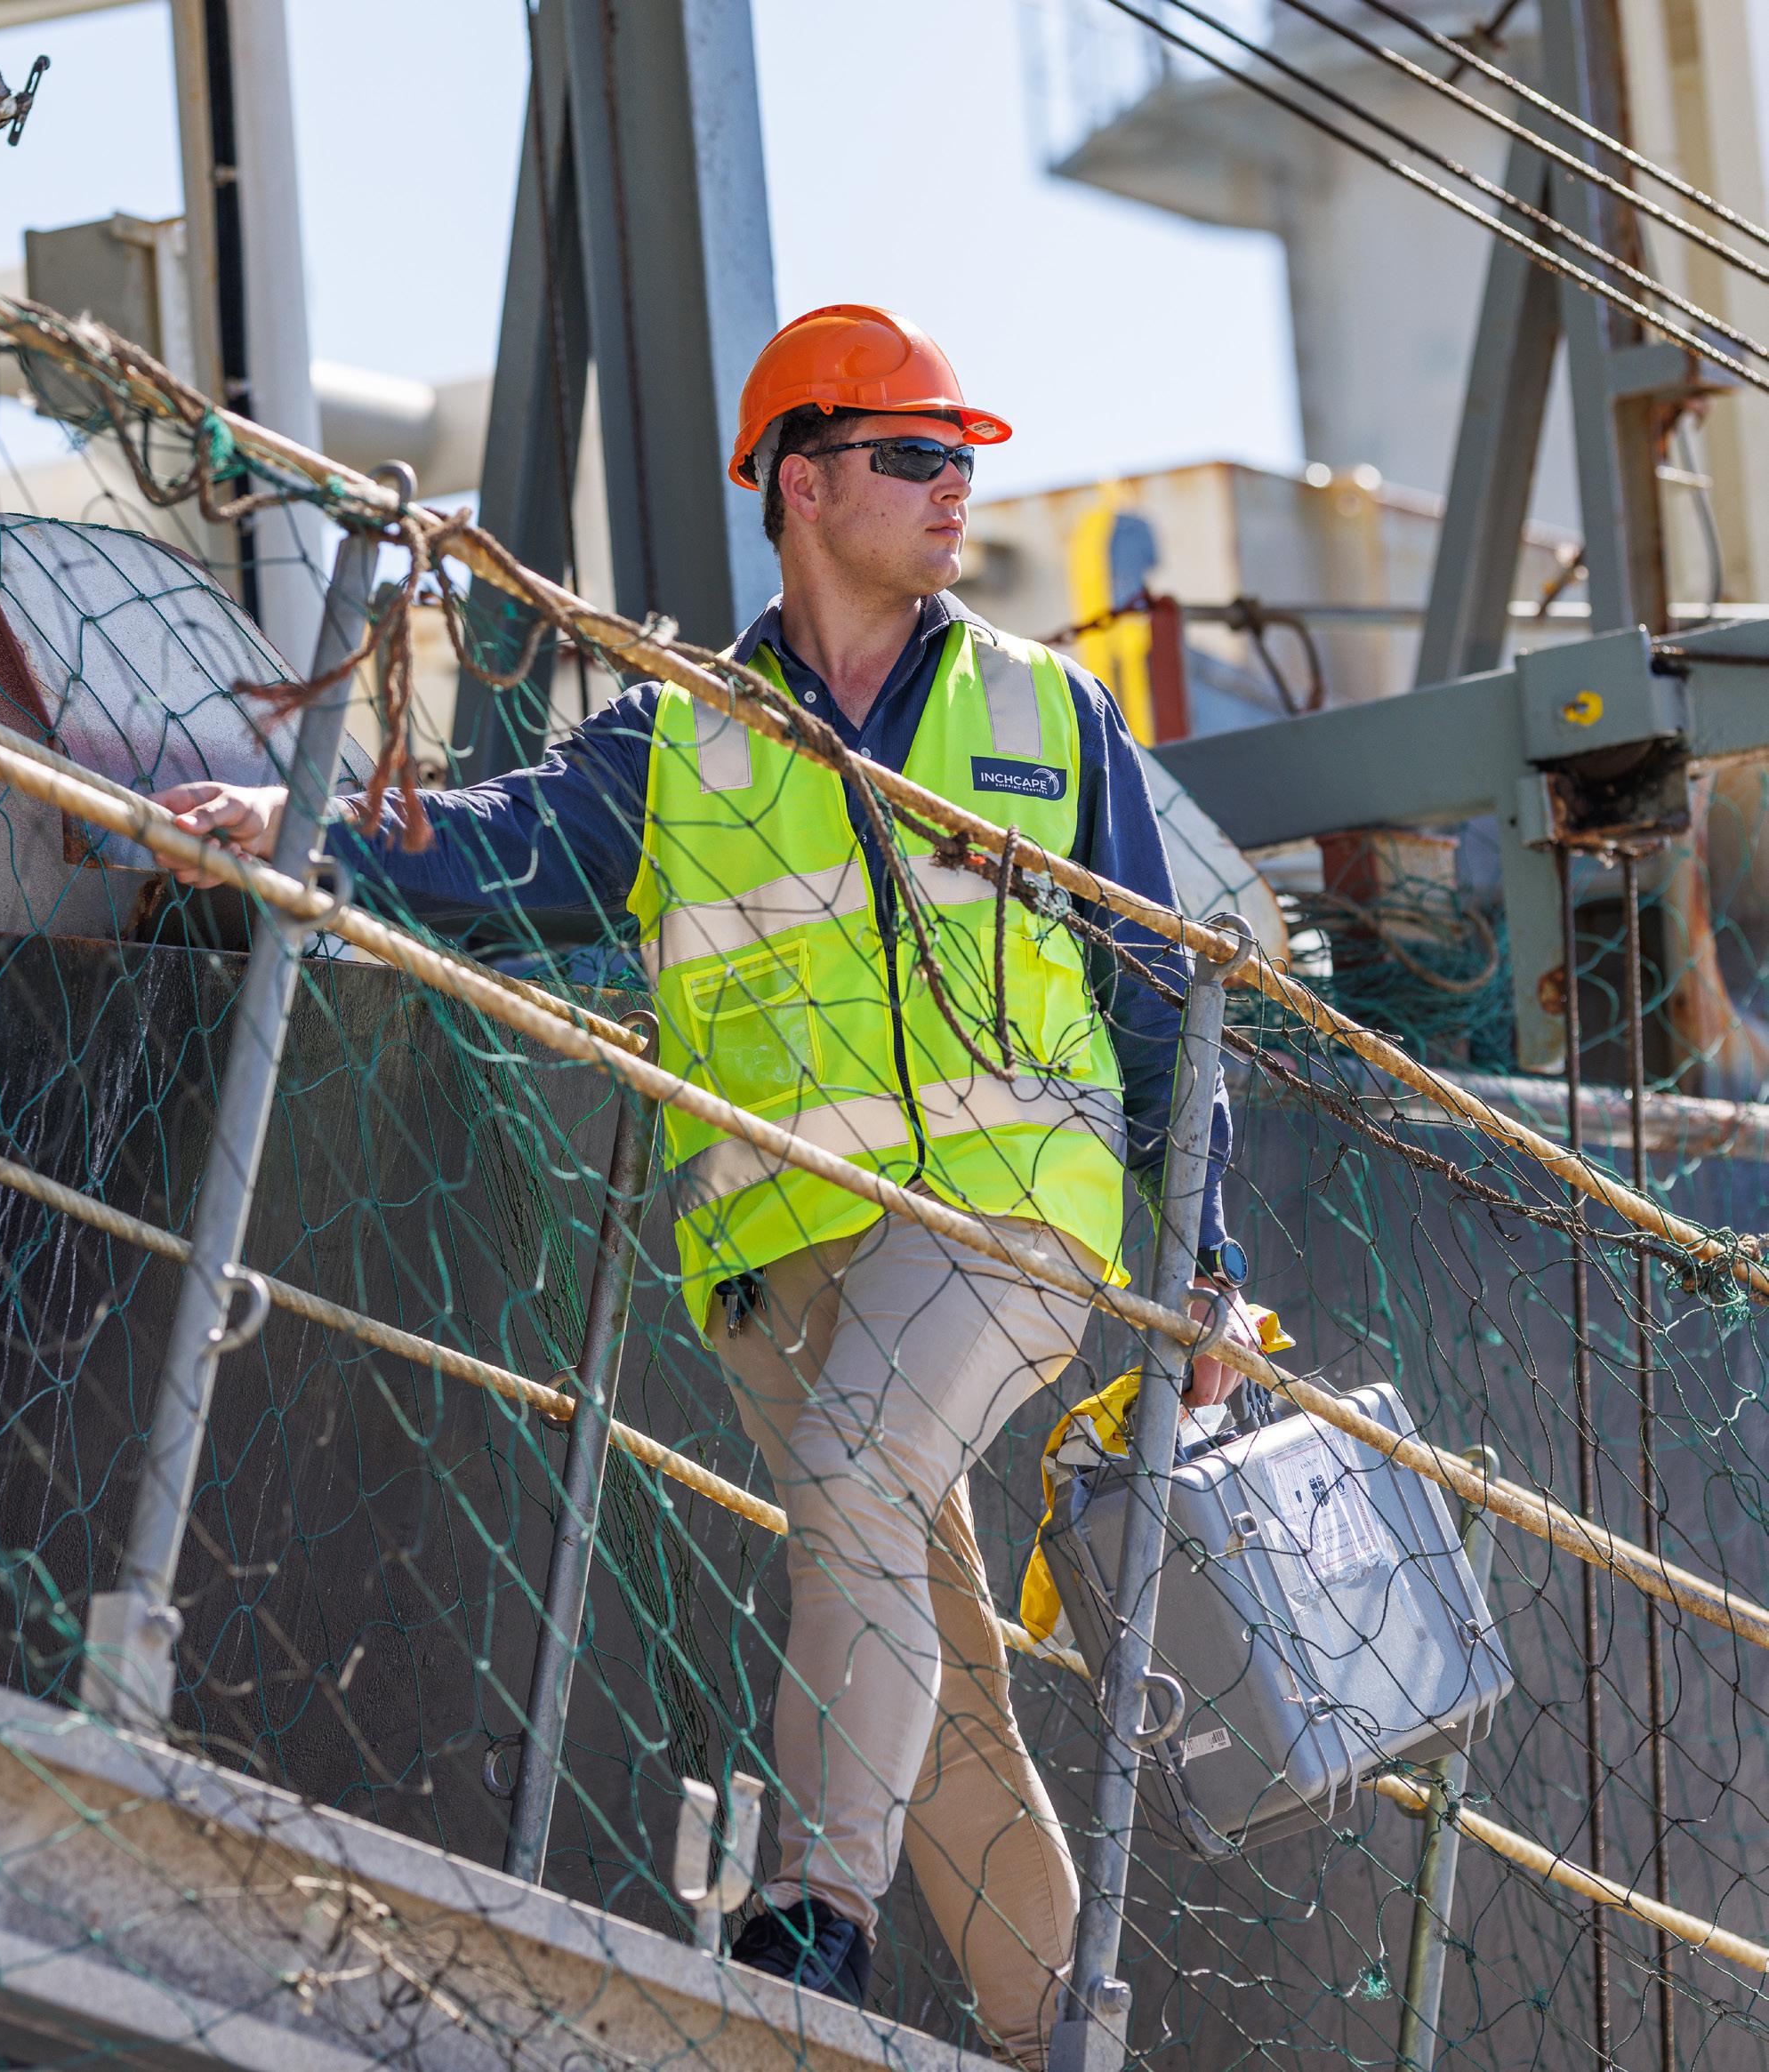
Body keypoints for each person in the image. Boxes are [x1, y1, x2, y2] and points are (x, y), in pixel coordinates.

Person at [151, 304, 1268, 2068]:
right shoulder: (680, 737)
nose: (955, 488)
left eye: (962, 458)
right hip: (780, 1256)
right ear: (802, 481)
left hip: (1010, 1218)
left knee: (860, 1465)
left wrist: (1202, 1265)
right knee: (918, 1634)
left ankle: (810, 1921)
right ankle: (1051, 2030)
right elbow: (499, 846)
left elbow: (1155, 1007)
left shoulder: (1044, 711)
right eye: (916, 455)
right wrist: (292, 825)